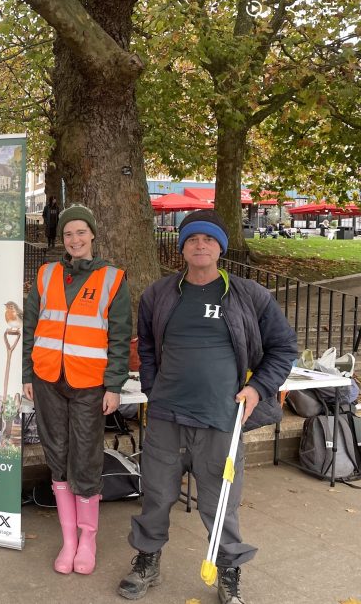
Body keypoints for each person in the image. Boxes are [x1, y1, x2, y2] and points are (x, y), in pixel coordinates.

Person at [118, 210, 297, 604]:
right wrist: (153, 386)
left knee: (221, 504)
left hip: (221, 420)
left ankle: (228, 571)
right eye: (193, 239)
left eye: (209, 240)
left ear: (220, 248)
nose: (201, 245)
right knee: (157, 494)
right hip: (166, 416)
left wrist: (257, 389)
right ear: (182, 248)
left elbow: (284, 349)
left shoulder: (249, 296)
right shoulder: (159, 294)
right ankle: (147, 559)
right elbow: (146, 346)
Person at [22, 204, 132, 575]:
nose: (75, 239)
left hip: (89, 383)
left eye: (81, 232)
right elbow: (30, 328)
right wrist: (27, 373)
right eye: (68, 233)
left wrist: (113, 385)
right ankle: (68, 540)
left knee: (85, 458)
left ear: (93, 236)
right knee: (57, 454)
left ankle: (88, 539)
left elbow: (119, 338)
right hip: (48, 379)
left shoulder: (113, 279)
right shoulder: (46, 274)